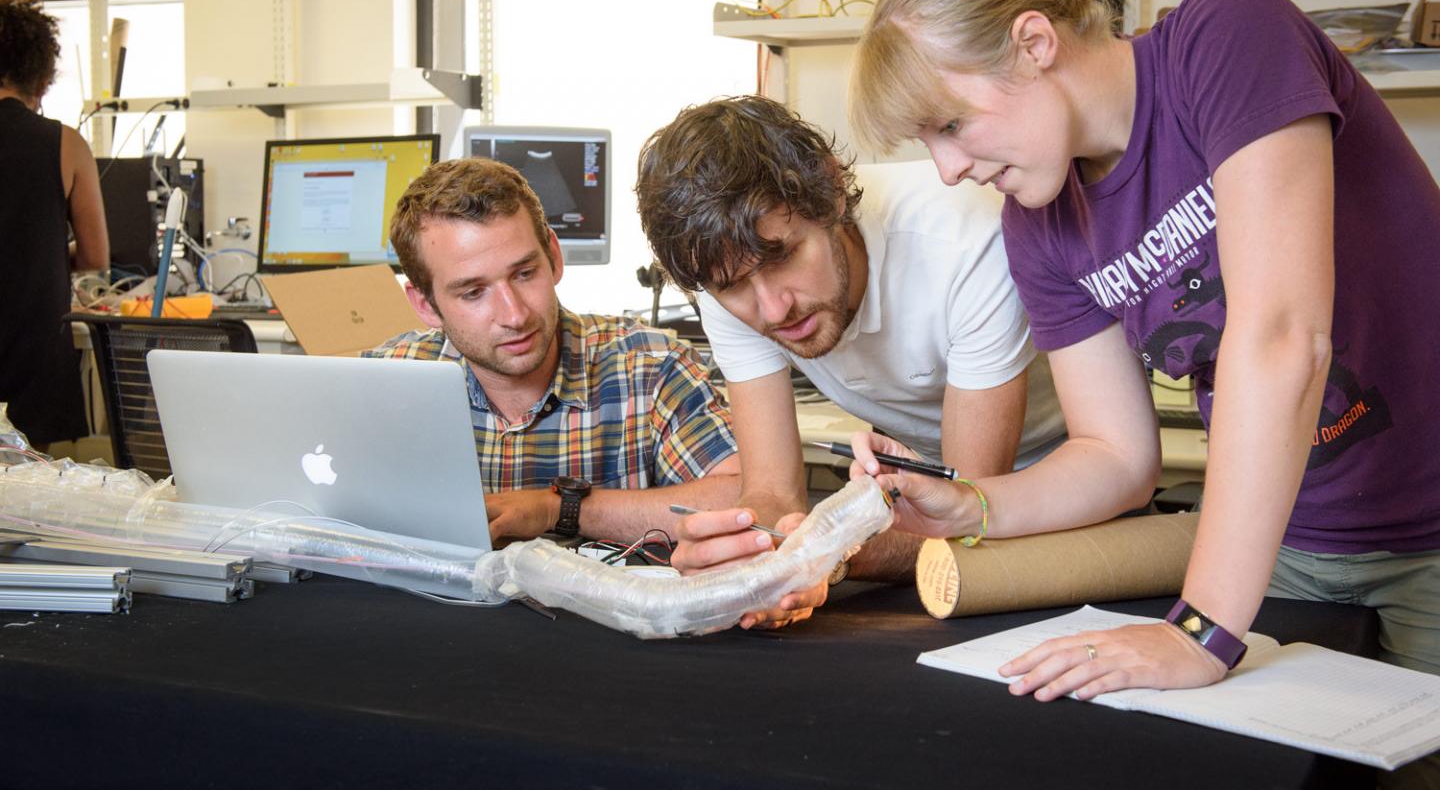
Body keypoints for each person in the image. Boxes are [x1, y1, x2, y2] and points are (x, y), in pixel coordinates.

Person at [847, 0, 1440, 701]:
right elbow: (1116, 458)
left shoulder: (1227, 36)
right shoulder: (1039, 226)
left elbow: (1285, 337)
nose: (949, 169)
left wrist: (1204, 631)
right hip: (1288, 555)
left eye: (951, 125)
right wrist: (973, 504)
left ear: (1033, 42)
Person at [635, 95, 1067, 627]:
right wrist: (747, 552)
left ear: (832, 192)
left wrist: (818, 555)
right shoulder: (727, 279)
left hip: (1058, 490)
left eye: (783, 256)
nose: (773, 308)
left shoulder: (965, 244)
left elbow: (965, 512)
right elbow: (770, 490)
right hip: (919, 491)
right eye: (732, 286)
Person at [365, 157, 740, 547]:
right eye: (474, 292)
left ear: (554, 258)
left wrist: (562, 508)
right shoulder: (384, 383)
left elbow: (746, 499)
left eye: (525, 274)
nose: (514, 315)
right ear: (425, 305)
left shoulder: (652, 369)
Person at [0, 0, 109, 450]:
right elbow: (95, 256)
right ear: (43, 79)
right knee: (28, 506)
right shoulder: (65, 144)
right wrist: (43, 253)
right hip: (31, 360)